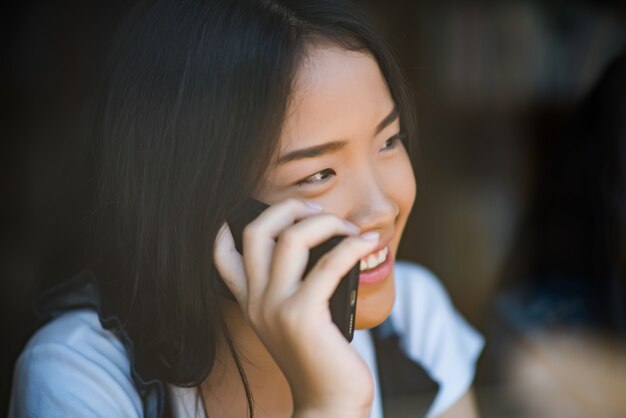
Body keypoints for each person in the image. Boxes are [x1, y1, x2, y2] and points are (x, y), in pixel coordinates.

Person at [8, 1, 483, 417]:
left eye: (389, 140)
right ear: (209, 208)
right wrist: (331, 406)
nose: (382, 208)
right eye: (318, 174)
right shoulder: (83, 375)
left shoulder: (413, 320)